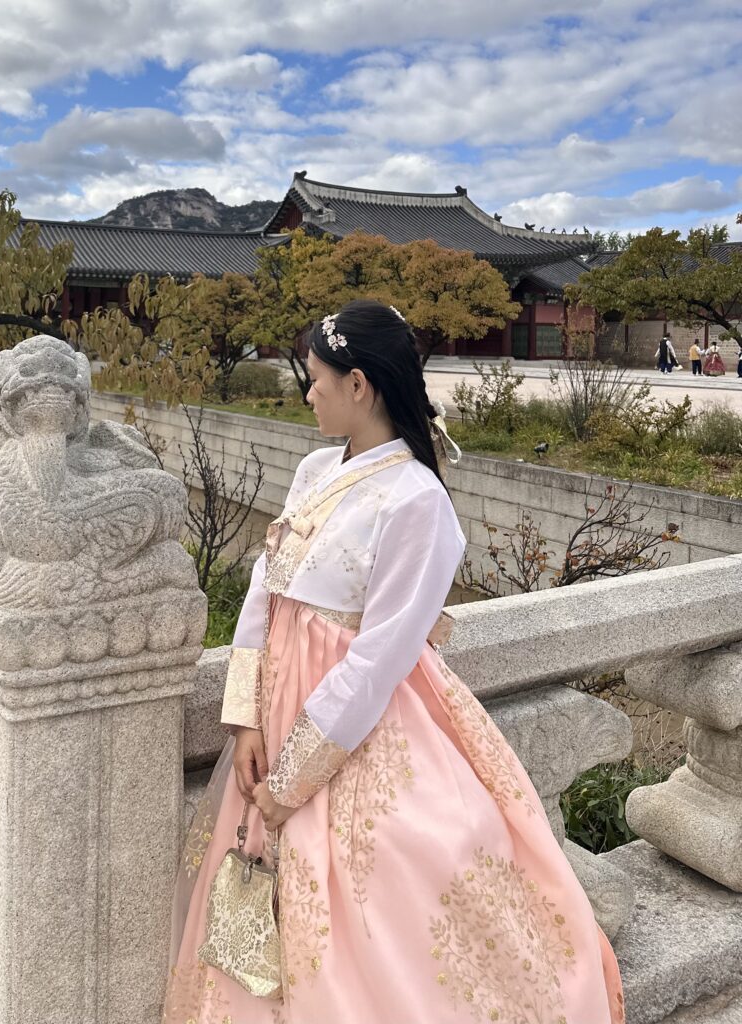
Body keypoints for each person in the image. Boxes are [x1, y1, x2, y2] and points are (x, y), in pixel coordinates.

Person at [164, 300, 625, 1024]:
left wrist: (293, 777)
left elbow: (380, 656)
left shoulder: (417, 501)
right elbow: (266, 584)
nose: (306, 392)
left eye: (316, 378)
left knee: (380, 891)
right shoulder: (317, 468)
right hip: (279, 703)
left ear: (359, 386)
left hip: (351, 726)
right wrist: (244, 714)